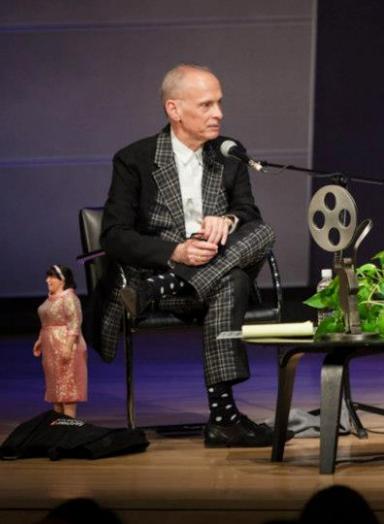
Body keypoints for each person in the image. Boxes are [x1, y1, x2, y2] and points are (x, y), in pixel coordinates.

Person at [99, 64, 277, 447]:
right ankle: (225, 419)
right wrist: (175, 251)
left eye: (219, 103)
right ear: (174, 109)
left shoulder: (229, 155)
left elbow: (250, 216)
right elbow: (114, 236)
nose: (219, 113)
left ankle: (157, 287)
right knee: (233, 279)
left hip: (166, 286)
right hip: (176, 280)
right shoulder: (135, 159)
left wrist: (227, 220)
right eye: (207, 104)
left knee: (262, 234)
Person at [34, 265, 87, 418]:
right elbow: (46, 321)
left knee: (67, 392)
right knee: (56, 393)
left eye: (51, 277)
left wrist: (68, 347)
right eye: (47, 276)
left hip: (65, 345)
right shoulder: (51, 298)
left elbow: (75, 323)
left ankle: (68, 432)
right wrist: (40, 340)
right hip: (51, 349)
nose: (47, 280)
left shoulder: (69, 298)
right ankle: (58, 432)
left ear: (62, 280)